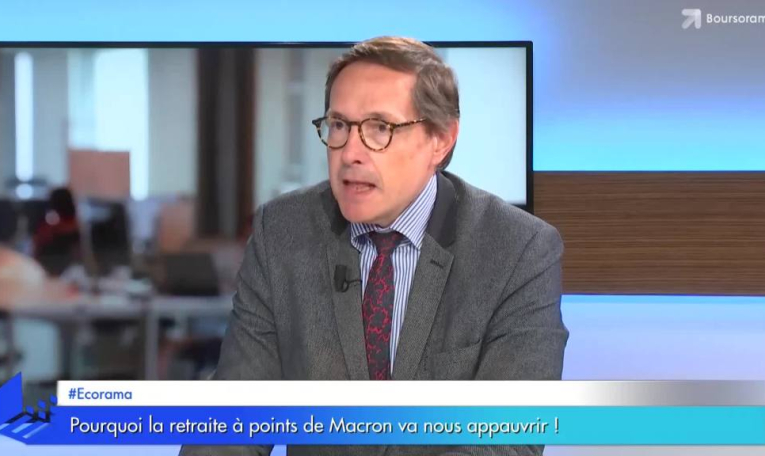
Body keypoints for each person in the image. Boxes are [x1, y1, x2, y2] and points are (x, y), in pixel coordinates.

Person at [181, 36, 567, 456]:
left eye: (380, 128)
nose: (350, 153)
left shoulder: (519, 250)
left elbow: (507, 441)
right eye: (339, 125)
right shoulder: (282, 232)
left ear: (441, 139)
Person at [33, 187, 81, 276]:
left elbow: (36, 251)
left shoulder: (48, 228)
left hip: (51, 272)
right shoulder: (78, 227)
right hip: (70, 272)